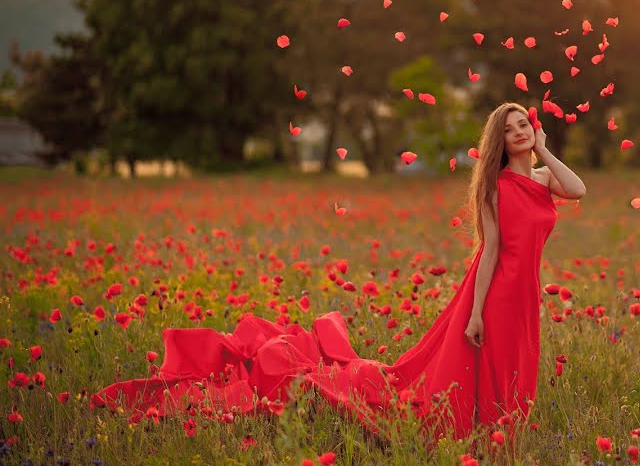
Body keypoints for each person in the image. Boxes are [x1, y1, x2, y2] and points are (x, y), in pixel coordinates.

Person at [91, 101, 586, 454]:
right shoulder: (496, 188)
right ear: (498, 139)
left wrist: (545, 149)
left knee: (519, 366)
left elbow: (577, 187)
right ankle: (484, 438)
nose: (520, 131)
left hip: (524, 297)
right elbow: (491, 251)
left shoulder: (543, 177)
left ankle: (501, 437)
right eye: (511, 127)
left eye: (526, 124)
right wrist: (475, 312)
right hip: (496, 292)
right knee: (483, 368)